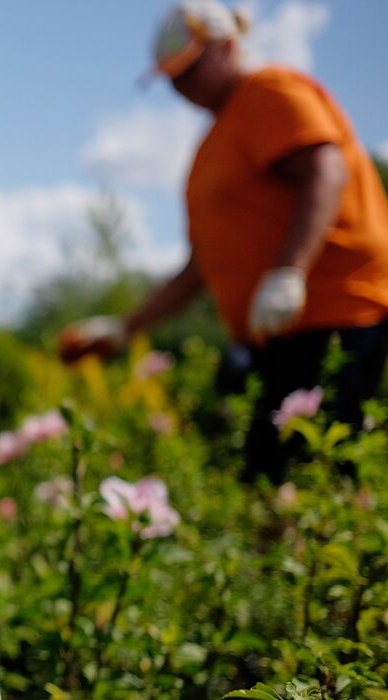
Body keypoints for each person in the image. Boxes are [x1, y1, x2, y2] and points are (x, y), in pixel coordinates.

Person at [60, 0, 388, 481]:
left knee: (315, 470)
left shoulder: (269, 90)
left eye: (191, 69)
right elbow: (202, 265)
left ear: (229, 46)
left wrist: (288, 272)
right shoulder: (215, 144)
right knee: (269, 468)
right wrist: (127, 327)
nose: (182, 86)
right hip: (277, 331)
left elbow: (325, 169)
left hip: (335, 314)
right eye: (173, 77)